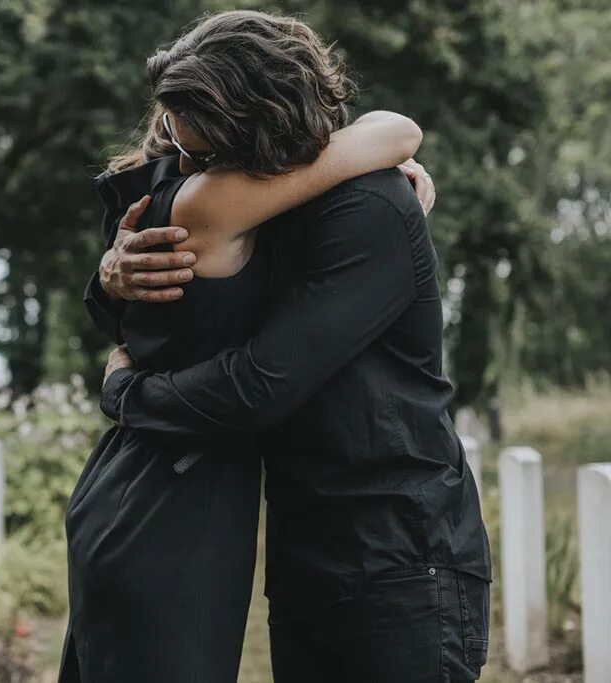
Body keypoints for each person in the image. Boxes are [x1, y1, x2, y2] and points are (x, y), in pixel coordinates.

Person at [89, 11, 491, 683]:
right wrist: (111, 273)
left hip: (400, 561)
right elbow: (180, 310)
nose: (190, 171)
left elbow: (259, 383)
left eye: (205, 155)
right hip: (307, 555)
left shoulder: (371, 207)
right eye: (176, 142)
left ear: (258, 124)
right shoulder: (271, 207)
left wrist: (127, 392)